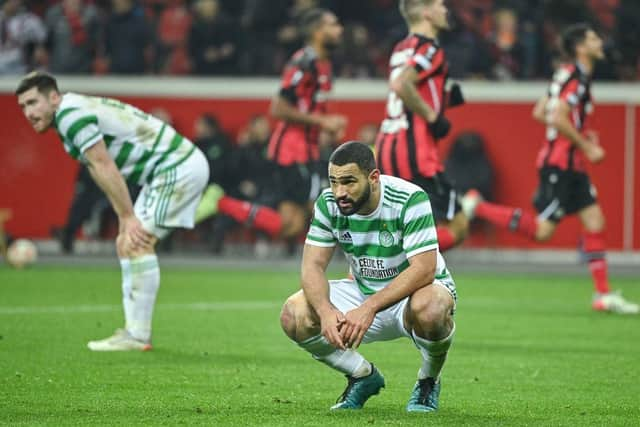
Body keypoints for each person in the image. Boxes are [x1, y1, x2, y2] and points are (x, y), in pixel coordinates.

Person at [16, 71, 210, 350]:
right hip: (168, 170)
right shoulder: (69, 114)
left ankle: (138, 335)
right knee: (126, 242)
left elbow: (104, 164)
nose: (29, 112)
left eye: (33, 102)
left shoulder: (71, 117)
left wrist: (128, 216)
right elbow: (97, 169)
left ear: (54, 97)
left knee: (134, 243)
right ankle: (134, 332)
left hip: (176, 168)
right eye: (23, 106)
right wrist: (124, 215)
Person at [461, 24, 639, 315]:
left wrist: (577, 133)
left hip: (571, 164)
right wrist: (586, 144)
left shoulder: (565, 74)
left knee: (595, 222)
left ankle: (603, 295)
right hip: (561, 164)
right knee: (543, 231)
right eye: (594, 38)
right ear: (581, 46)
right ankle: (478, 206)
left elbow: (540, 110)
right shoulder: (577, 77)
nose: (600, 43)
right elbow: (556, 116)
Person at [280, 141, 456, 412]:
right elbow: (312, 266)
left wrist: (369, 308)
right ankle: (362, 376)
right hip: (363, 291)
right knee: (294, 314)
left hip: (414, 294)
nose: (340, 192)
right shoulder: (328, 204)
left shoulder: (409, 198)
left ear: (373, 178)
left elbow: (424, 268)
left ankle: (428, 380)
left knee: (431, 309)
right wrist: (326, 311)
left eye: (349, 181)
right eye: (334, 181)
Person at [375, 0, 468, 253]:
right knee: (458, 226)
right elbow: (403, 84)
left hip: (388, 145)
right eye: (440, 5)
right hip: (416, 152)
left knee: (397, 226)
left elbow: (409, 85)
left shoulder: (401, 48)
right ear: (427, 12)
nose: (445, 10)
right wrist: (433, 117)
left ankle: (378, 269)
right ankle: (391, 263)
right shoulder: (430, 49)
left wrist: (445, 95)